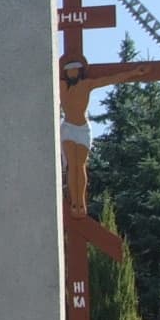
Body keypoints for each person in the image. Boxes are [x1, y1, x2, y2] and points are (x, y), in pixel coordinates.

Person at [60, 55, 98, 213]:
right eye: (69, 70)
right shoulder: (61, 85)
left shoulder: (86, 84)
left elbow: (111, 78)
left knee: (80, 165)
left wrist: (135, 72)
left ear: (80, 71)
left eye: (75, 70)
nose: (72, 73)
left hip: (82, 128)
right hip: (68, 127)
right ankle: (74, 203)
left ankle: (81, 202)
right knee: (71, 165)